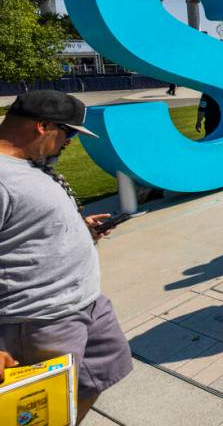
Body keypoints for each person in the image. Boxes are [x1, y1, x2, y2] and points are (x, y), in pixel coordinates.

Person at [0, 90, 133, 422]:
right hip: (38, 320)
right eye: (69, 132)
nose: (71, 142)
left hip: (85, 303)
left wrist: (80, 227)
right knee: (35, 411)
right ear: (42, 126)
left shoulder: (27, 165)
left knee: (97, 377)